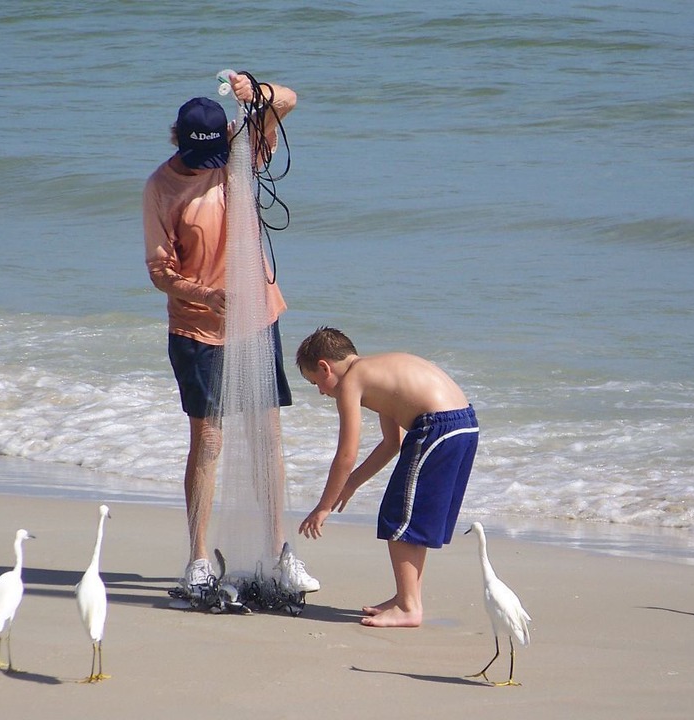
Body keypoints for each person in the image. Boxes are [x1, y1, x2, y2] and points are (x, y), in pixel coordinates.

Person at [143, 71, 317, 597]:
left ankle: (279, 552)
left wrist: (252, 89)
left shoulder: (240, 152)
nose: (209, 166)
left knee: (267, 436)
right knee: (209, 439)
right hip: (198, 327)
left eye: (214, 153)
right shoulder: (162, 187)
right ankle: (198, 559)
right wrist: (206, 295)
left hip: (257, 317)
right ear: (179, 142)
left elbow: (289, 99)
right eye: (199, 157)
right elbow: (158, 269)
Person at [295, 327, 478, 627]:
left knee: (397, 517)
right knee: (411, 518)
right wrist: (351, 483)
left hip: (437, 426)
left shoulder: (353, 380)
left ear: (325, 366)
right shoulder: (377, 370)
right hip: (464, 425)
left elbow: (346, 453)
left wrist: (323, 506)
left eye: (316, 382)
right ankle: (407, 598)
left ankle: (408, 607)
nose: (320, 391)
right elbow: (391, 444)